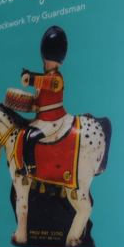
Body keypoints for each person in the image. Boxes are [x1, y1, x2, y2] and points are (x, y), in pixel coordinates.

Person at [18, 26, 74, 177]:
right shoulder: (45, 78)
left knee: (30, 136)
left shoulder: (55, 79)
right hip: (44, 118)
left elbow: (46, 82)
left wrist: (30, 79)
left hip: (54, 119)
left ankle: (30, 167)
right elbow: (41, 97)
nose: (46, 64)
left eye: (48, 62)